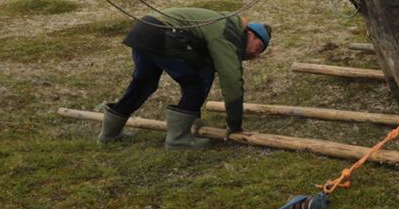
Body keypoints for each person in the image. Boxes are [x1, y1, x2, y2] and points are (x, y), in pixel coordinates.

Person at [97, 8, 270, 148]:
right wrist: (235, 124)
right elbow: (232, 80)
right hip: (165, 34)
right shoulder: (230, 34)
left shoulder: (223, 24)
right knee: (198, 82)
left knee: (143, 83)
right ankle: (179, 139)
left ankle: (109, 134)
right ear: (251, 34)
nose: (256, 54)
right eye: (259, 47)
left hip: (145, 29)